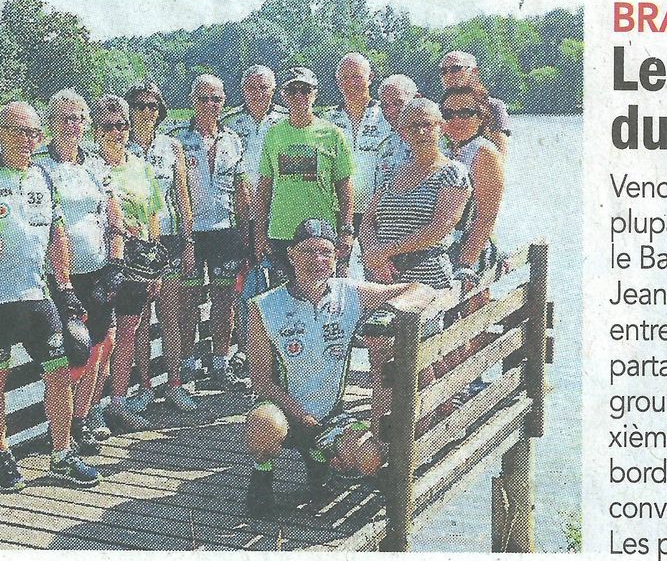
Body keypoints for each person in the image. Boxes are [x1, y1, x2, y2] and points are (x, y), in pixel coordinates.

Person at [241, 220, 432, 515]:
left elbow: (420, 289)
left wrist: (385, 318)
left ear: (336, 258)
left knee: (370, 458)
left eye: (326, 253)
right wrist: (301, 415)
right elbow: (261, 381)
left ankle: (319, 458)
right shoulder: (264, 306)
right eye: (308, 252)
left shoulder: (350, 293)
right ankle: (262, 474)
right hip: (284, 412)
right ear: (291, 254)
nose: (318, 261)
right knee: (263, 426)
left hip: (331, 416)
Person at [0, 101, 101, 491]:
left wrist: (64, 287)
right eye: (18, 131)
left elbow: (57, 235)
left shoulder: (44, 178)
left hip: (38, 295)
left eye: (34, 133)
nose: (28, 140)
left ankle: (61, 455)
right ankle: (1, 455)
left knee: (59, 372)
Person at [34, 89, 124, 455]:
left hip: (98, 271)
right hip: (58, 278)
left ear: (87, 123)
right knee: (66, 355)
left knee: (98, 349)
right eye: (64, 118)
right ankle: (60, 428)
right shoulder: (39, 165)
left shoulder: (96, 165)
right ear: (51, 124)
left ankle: (82, 420)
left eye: (78, 118)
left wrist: (116, 263)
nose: (73, 125)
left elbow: (113, 213)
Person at [92, 94, 168, 432]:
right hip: (102, 265)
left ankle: (118, 403)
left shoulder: (141, 167)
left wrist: (156, 268)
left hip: (139, 265)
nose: (117, 131)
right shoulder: (91, 169)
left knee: (128, 333)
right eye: (108, 126)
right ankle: (90, 409)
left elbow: (153, 216)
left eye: (122, 125)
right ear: (96, 131)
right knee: (101, 339)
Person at [172, 74, 250, 390]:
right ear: (193, 100)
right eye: (203, 99)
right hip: (193, 233)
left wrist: (247, 234)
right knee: (188, 301)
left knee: (223, 301)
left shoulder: (233, 139)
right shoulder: (177, 139)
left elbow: (242, 190)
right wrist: (185, 236)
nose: (210, 105)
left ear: (223, 102)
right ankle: (187, 365)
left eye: (216, 99)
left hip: (225, 231)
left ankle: (220, 363)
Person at [125, 82, 199, 412]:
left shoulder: (172, 146)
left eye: (153, 106)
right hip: (135, 247)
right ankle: (143, 388)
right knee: (139, 321)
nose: (147, 112)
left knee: (171, 317)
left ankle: (174, 384)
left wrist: (188, 244)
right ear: (129, 109)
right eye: (140, 106)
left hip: (167, 241)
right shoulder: (118, 145)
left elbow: (183, 200)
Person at [253, 67, 354, 281]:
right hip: (282, 233)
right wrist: (260, 234)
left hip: (321, 233)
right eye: (292, 90)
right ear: (283, 95)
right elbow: (263, 191)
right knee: (284, 301)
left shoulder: (332, 134)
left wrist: (346, 230)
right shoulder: (274, 134)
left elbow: (344, 187)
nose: (299, 96)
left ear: (315, 93)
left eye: (305, 90)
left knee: (322, 297)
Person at [360, 97, 470, 291]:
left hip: (428, 284)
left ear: (441, 127)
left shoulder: (453, 173)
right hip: (383, 280)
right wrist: (373, 255)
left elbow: (439, 228)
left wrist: (385, 252)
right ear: (402, 133)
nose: (420, 132)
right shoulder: (391, 172)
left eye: (427, 124)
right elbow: (368, 221)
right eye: (413, 126)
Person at [441, 85, 506, 287]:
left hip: (469, 248)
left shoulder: (484, 152)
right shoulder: (443, 148)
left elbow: (486, 217)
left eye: (465, 113)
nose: (456, 120)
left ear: (481, 117)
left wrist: (465, 265)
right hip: (441, 244)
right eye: (448, 114)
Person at [323, 53, 390, 241]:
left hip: (378, 214)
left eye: (357, 76)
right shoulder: (327, 120)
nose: (351, 83)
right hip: (336, 213)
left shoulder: (386, 116)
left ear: (370, 78)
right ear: (337, 82)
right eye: (345, 77)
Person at [222, 65, 287, 225]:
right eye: (251, 88)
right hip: (240, 211)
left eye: (263, 87)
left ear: (273, 89)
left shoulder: (288, 119)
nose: (258, 94)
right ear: (243, 89)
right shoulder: (228, 122)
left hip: (279, 210)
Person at [438, 51, 511, 156]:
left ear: (474, 72)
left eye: (455, 69)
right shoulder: (437, 110)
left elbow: (501, 154)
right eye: (443, 71)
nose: (449, 75)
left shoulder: (493, 107)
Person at [372, 74, 419, 193]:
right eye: (385, 105)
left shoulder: (435, 140)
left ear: (416, 99)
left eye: (398, 103)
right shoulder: (385, 145)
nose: (391, 111)